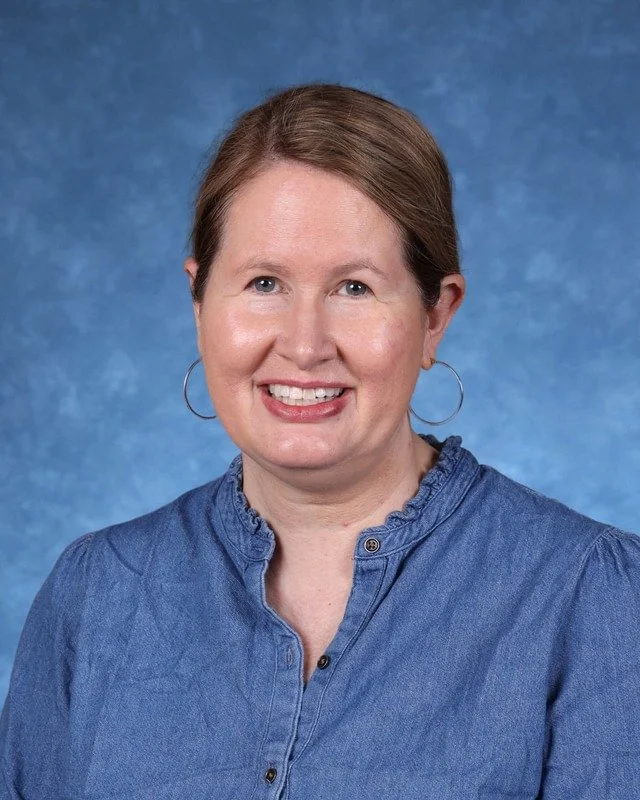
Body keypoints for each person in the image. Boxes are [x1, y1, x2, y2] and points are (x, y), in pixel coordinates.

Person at [1, 83, 639, 800]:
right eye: (265, 282)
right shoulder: (99, 595)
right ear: (199, 301)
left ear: (436, 316)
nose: (304, 347)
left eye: (355, 288)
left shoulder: (593, 598)